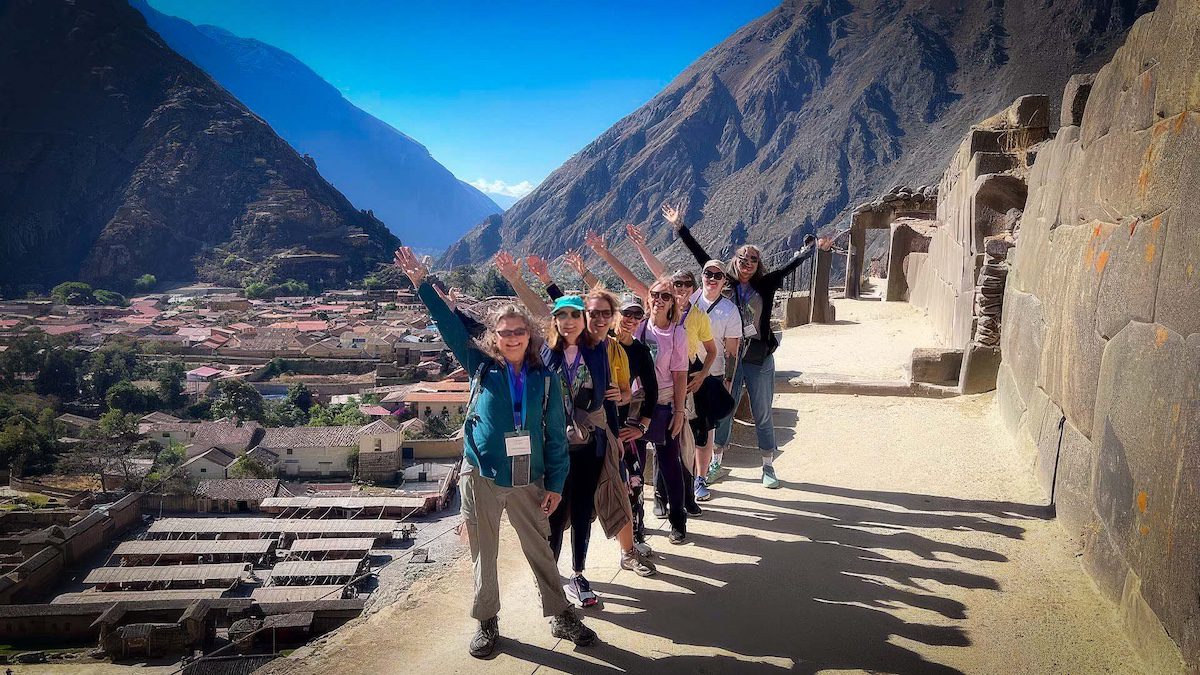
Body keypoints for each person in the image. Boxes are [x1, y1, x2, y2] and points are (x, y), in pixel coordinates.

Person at [392, 247, 595, 658]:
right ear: (494, 338)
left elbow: (556, 437)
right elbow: (448, 326)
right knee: (483, 551)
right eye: (505, 333)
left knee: (539, 548)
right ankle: (487, 620)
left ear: (530, 335)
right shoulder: (480, 365)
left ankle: (560, 613)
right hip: (481, 475)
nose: (513, 337)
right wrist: (422, 284)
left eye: (520, 331)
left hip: (528, 478)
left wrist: (554, 484)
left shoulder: (547, 379)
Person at [663, 203, 832, 488]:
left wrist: (814, 249)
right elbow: (700, 256)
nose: (747, 263)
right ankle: (716, 462)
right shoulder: (723, 281)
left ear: (758, 263)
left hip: (758, 356)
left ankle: (767, 466)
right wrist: (680, 227)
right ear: (735, 261)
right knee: (726, 408)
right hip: (733, 356)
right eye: (743, 258)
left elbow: (792, 265)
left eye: (753, 259)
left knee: (762, 409)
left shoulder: (766, 284)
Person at [583, 232, 716, 513]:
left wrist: (684, 401)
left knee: (680, 448)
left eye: (682, 286)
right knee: (644, 451)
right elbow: (625, 288)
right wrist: (603, 256)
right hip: (640, 399)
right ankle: (655, 503)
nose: (676, 292)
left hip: (674, 393)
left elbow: (686, 368)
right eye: (670, 288)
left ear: (691, 290)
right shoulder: (644, 320)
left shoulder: (694, 317)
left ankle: (685, 500)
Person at [625, 225, 740, 499]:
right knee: (665, 440)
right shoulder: (664, 306)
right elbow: (645, 277)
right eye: (676, 285)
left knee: (698, 432)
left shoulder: (702, 312)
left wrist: (706, 376)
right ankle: (665, 497)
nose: (680, 289)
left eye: (686, 285)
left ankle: (697, 482)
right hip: (660, 382)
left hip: (691, 377)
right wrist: (638, 247)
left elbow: (716, 350)